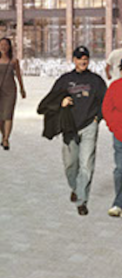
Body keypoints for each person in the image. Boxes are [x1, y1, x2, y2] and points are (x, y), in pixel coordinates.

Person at [37, 46, 107, 215]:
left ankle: (82, 201)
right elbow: (48, 101)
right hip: (69, 127)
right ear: (74, 60)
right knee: (70, 164)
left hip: (90, 125)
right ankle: (76, 187)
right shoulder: (65, 80)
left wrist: (97, 119)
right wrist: (60, 103)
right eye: (79, 58)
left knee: (86, 165)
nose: (83, 61)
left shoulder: (96, 81)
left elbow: (105, 102)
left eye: (86, 58)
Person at [0, 37, 26, 150]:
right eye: (1, 44)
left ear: (9, 47)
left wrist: (22, 89)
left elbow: (18, 75)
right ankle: (3, 135)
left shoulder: (14, 61)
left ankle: (6, 139)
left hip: (10, 90)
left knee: (8, 114)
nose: (3, 47)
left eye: (5, 45)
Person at [102, 66, 122, 217]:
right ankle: (119, 203)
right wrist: (114, 127)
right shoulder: (115, 87)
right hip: (120, 134)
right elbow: (107, 109)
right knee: (120, 169)